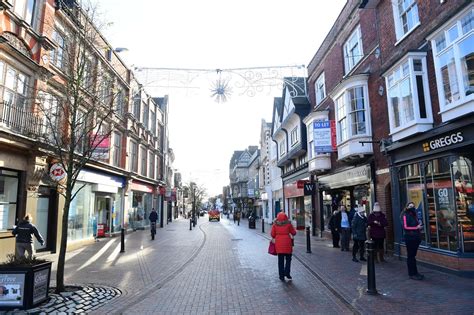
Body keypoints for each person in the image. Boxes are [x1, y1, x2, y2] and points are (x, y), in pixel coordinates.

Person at [271, 212, 297, 281]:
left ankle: (281, 276)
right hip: (287, 244)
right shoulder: (288, 224)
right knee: (288, 259)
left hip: (279, 244)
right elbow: (294, 233)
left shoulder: (275, 224)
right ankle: (287, 273)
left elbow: (272, 235)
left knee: (280, 260)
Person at [401, 202, 424, 280]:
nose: (412, 207)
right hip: (409, 237)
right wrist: (416, 228)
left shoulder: (414, 215)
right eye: (410, 206)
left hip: (416, 237)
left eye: (413, 206)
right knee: (410, 256)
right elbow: (405, 227)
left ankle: (415, 272)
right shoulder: (405, 215)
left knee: (413, 256)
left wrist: (419, 227)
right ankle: (411, 273)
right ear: (407, 207)